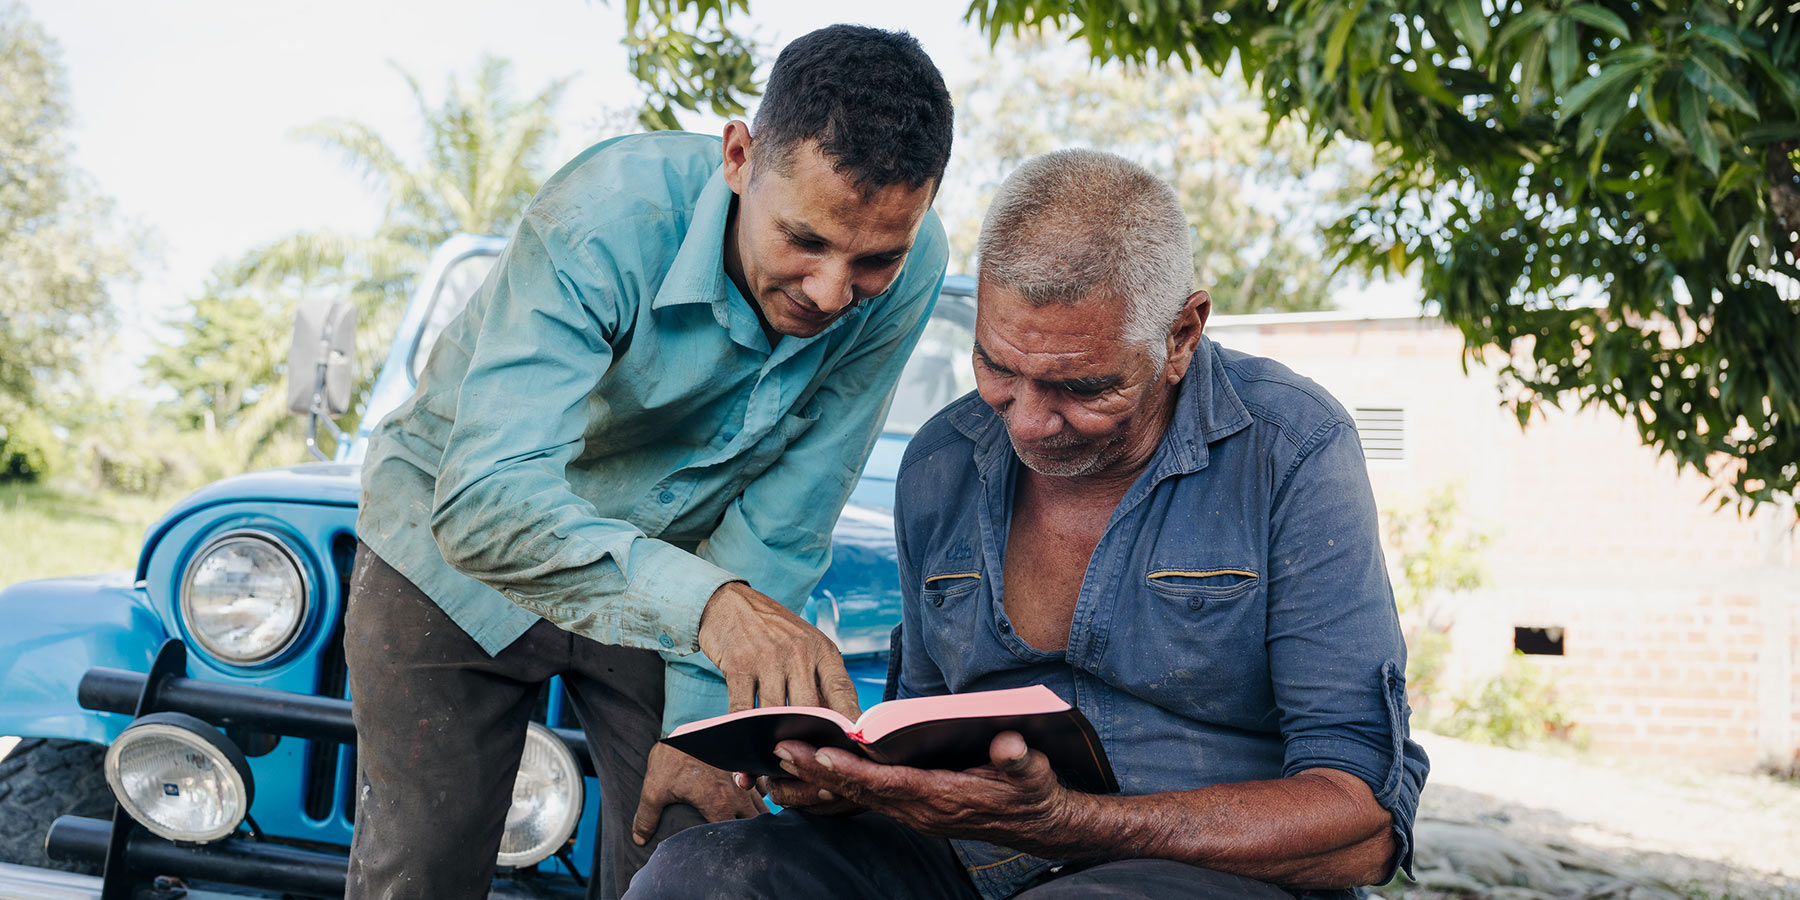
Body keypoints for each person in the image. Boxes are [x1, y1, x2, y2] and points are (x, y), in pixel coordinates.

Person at [629, 149, 1430, 899]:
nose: (1030, 424)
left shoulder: (1289, 448)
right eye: (997, 369)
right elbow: (917, 728)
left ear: (1181, 336)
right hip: (967, 859)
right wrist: (854, 782)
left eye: (1082, 387)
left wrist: (1072, 823)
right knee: (701, 877)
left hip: (1202, 870)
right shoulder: (942, 461)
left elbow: (1363, 822)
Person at [342, 25, 954, 900]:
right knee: (421, 872)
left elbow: (794, 503)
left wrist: (704, 705)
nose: (830, 292)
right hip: (450, 548)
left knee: (690, 854)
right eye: (805, 240)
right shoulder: (605, 216)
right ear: (739, 157)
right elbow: (485, 500)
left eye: (873, 260)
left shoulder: (917, 264)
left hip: (683, 575)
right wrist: (714, 612)